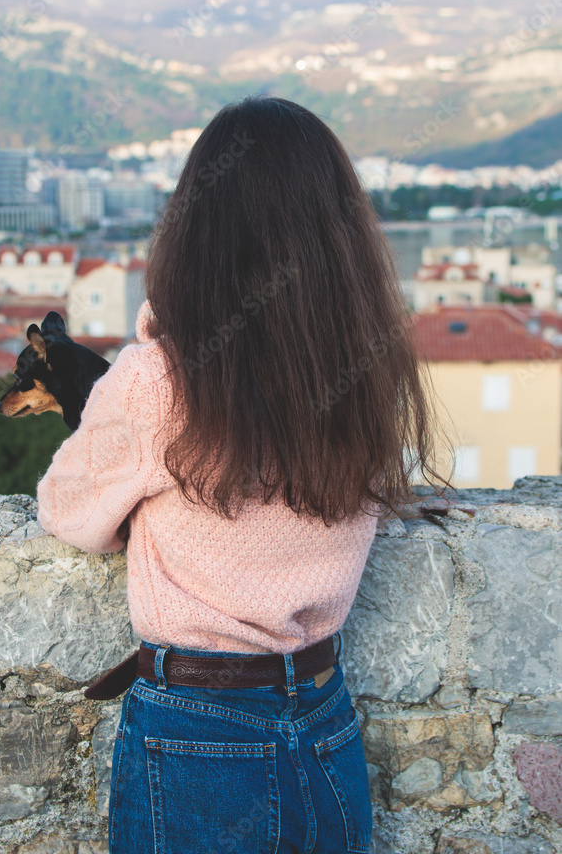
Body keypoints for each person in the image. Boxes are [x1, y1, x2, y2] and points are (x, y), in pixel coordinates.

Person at [36, 95, 444, 854]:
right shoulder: (363, 370)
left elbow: (65, 510)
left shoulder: (160, 377)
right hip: (326, 717)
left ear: (197, 228)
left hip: (196, 729)